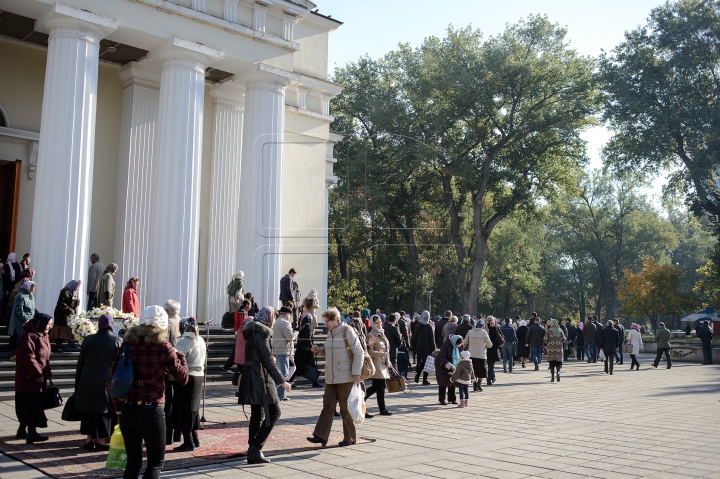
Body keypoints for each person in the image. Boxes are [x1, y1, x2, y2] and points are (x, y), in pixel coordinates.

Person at [108, 305, 189, 479]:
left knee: (133, 462)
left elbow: (112, 378)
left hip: (129, 408)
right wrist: (180, 355)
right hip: (152, 409)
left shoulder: (128, 343)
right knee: (155, 463)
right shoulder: (163, 346)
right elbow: (182, 378)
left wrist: (118, 407)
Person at [238, 307, 291, 463]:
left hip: (252, 376)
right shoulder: (261, 335)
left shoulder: (253, 333)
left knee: (258, 414)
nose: (274, 320)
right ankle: (256, 448)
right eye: (273, 317)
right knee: (274, 412)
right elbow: (267, 361)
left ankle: (251, 449)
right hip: (260, 378)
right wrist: (282, 381)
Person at [307, 307, 364, 448]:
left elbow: (359, 352)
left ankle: (349, 437)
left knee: (345, 408)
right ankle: (320, 436)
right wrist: (319, 351)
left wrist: (356, 374)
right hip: (331, 377)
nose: (325, 324)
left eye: (327, 321)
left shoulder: (347, 331)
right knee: (328, 405)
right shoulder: (330, 333)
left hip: (346, 377)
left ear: (335, 319)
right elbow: (328, 351)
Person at [75, 314, 122, 450]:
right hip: (106, 381)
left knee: (89, 410)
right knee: (104, 412)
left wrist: (77, 382)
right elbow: (120, 364)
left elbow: (80, 363)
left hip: (87, 379)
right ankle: (101, 441)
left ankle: (89, 439)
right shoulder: (116, 340)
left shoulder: (89, 339)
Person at [15, 312, 53, 444]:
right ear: (40, 323)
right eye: (48, 324)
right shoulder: (28, 336)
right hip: (28, 378)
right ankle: (32, 433)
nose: (50, 326)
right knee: (30, 405)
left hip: (38, 378)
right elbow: (28, 358)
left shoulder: (42, 334)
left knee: (30, 404)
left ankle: (22, 430)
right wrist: (37, 374)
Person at [171, 317, 207, 452]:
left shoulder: (185, 342)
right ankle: (195, 438)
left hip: (187, 376)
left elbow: (176, 357)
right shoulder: (200, 340)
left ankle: (188, 441)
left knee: (184, 409)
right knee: (193, 409)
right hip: (199, 376)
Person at [365, 315, 393, 417]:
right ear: (373, 324)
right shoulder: (371, 335)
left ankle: (361, 401)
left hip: (383, 363)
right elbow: (368, 351)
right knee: (380, 386)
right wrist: (381, 354)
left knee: (376, 387)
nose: (379, 324)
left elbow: (386, 348)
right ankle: (382, 408)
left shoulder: (381, 333)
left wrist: (388, 360)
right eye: (377, 323)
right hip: (376, 363)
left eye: (380, 322)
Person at [162, 299, 182, 446]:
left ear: (167, 311)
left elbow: (164, 345)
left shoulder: (166, 324)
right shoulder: (181, 322)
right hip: (180, 366)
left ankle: (167, 436)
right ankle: (176, 435)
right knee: (177, 403)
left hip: (169, 368)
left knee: (167, 403)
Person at [50, 279, 81, 352]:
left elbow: (75, 303)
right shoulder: (65, 292)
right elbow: (61, 303)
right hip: (62, 315)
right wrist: (70, 310)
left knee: (72, 328)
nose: (78, 287)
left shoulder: (74, 292)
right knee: (64, 330)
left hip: (70, 314)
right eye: (78, 286)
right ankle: (56, 346)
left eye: (79, 286)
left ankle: (71, 342)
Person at [272, 306, 295, 401]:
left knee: (281, 373)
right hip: (282, 350)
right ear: (286, 314)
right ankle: (276, 395)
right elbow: (290, 337)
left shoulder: (277, 321)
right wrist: (296, 334)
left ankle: (280, 395)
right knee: (283, 374)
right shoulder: (284, 322)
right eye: (289, 314)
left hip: (278, 350)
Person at [9, 281, 36, 361]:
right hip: (19, 323)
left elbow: (32, 308)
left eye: (33, 288)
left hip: (28, 322)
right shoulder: (20, 296)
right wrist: (26, 318)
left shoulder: (30, 296)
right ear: (27, 287)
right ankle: (14, 355)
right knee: (17, 339)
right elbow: (18, 310)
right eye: (32, 288)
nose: (33, 290)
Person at [463, 318, 491, 392]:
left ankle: (474, 384)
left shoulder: (470, 332)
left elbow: (464, 342)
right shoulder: (484, 333)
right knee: (481, 370)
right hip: (481, 354)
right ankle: (479, 383)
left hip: (471, 354)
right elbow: (490, 345)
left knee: (473, 370)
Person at [294, 313, 321, 387]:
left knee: (297, 366)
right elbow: (308, 338)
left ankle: (290, 380)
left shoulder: (301, 327)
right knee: (312, 366)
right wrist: (311, 346)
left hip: (300, 349)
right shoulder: (308, 327)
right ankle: (315, 382)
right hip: (307, 350)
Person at [435, 334, 462, 404]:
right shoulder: (446, 345)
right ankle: (442, 399)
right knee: (443, 381)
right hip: (441, 365)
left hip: (452, 364)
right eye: (457, 345)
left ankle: (452, 399)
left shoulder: (456, 346)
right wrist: (449, 365)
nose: (457, 347)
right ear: (454, 342)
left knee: (452, 381)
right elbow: (442, 357)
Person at [414, 311, 435, 385]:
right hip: (427, 347)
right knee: (426, 363)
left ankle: (418, 374)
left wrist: (414, 346)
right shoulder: (429, 326)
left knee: (422, 362)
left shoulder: (418, 325)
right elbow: (431, 338)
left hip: (419, 346)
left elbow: (415, 337)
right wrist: (433, 348)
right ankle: (424, 379)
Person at [486, 318, 502, 384]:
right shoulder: (496, 329)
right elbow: (501, 337)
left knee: (489, 364)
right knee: (491, 364)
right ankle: (490, 378)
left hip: (487, 348)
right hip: (494, 348)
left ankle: (491, 377)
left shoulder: (486, 329)